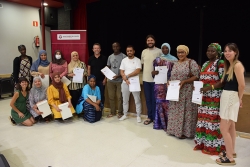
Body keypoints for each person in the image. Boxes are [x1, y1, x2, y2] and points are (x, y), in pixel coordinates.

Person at [216, 43, 245, 166]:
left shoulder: (237, 65)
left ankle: (229, 158)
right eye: (225, 51)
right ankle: (231, 151)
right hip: (228, 96)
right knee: (231, 125)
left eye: (230, 51)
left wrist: (239, 99)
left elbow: (242, 85)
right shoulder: (230, 65)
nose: (227, 53)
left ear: (236, 52)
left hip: (231, 97)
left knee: (224, 128)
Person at [194, 43, 226, 155]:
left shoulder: (220, 63)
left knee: (212, 121)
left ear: (218, 53)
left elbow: (223, 81)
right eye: (208, 51)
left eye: (212, 51)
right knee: (203, 120)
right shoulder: (205, 64)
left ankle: (212, 146)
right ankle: (202, 143)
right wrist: (197, 86)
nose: (209, 53)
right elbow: (202, 78)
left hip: (214, 98)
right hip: (204, 98)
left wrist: (210, 87)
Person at [166, 45, 200, 139]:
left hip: (186, 92)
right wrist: (169, 82)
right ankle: (174, 130)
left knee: (186, 111)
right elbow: (173, 76)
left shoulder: (191, 62)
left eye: (182, 52)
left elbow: (196, 76)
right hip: (175, 92)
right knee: (175, 111)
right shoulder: (176, 63)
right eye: (178, 52)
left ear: (186, 53)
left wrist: (185, 81)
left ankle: (185, 132)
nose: (180, 54)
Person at [151, 43, 176, 131]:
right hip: (159, 85)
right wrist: (153, 73)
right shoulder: (157, 60)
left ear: (169, 49)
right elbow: (154, 72)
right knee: (159, 103)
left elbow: (177, 73)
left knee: (168, 104)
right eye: (163, 48)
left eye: (167, 48)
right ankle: (158, 124)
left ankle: (169, 124)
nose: (165, 50)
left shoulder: (174, 60)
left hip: (169, 85)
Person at [141, 35, 162, 125]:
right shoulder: (144, 52)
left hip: (156, 80)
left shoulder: (159, 51)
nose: (150, 42)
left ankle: (155, 118)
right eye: (148, 40)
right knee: (148, 99)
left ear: (154, 41)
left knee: (155, 100)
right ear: (146, 42)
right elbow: (142, 65)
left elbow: (163, 65)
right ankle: (149, 117)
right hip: (146, 80)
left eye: (151, 40)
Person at [119, 45, 142, 123]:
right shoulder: (124, 60)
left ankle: (138, 115)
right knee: (125, 100)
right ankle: (125, 114)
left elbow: (137, 71)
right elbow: (121, 71)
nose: (129, 52)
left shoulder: (137, 60)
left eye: (130, 51)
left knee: (137, 100)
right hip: (125, 82)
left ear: (134, 51)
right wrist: (125, 79)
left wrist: (127, 76)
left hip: (134, 82)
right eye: (128, 51)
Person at [106, 42, 126, 118]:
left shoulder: (123, 56)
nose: (115, 48)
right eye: (114, 47)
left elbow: (125, 69)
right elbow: (108, 66)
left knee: (120, 97)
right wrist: (105, 71)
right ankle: (113, 112)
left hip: (120, 80)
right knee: (111, 97)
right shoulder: (110, 57)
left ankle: (120, 112)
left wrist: (118, 76)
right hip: (110, 81)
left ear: (119, 47)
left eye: (117, 46)